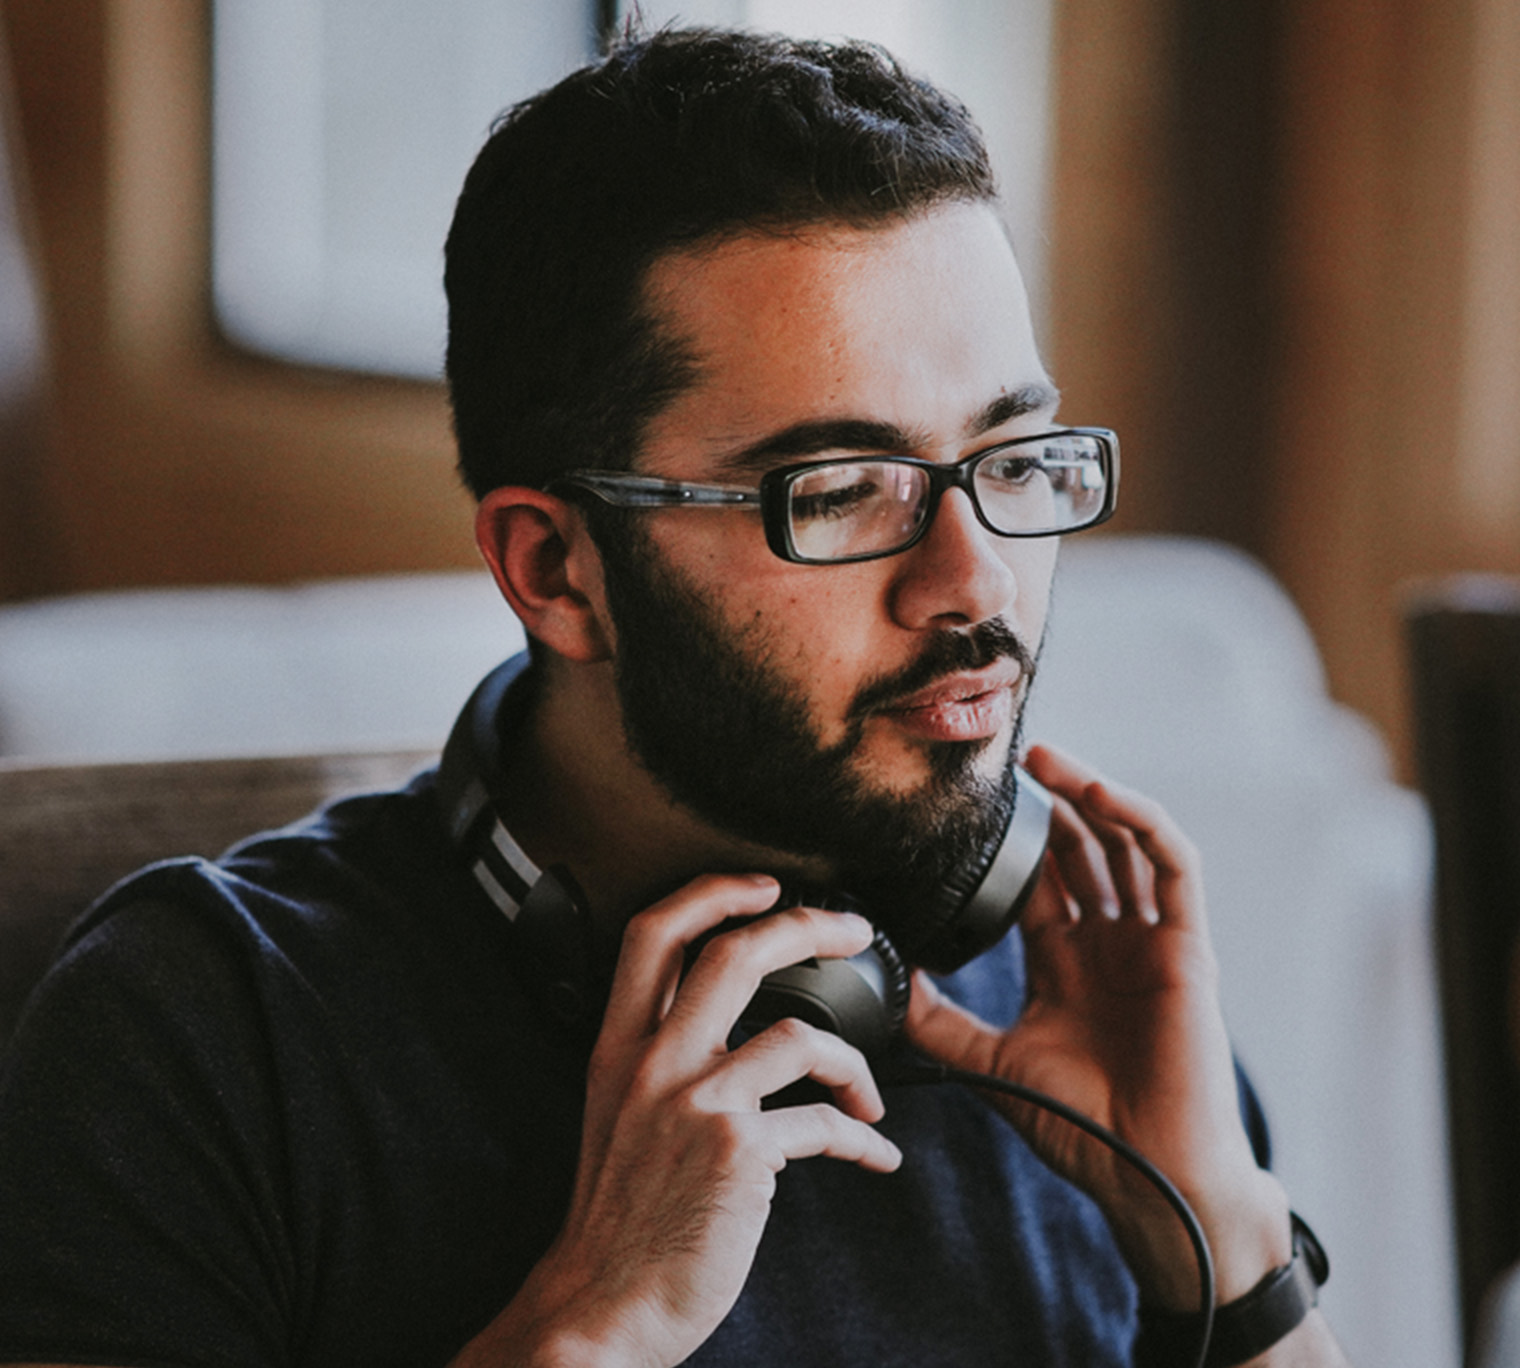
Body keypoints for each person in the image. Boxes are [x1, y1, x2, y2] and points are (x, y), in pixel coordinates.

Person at [0, 27, 1349, 1368]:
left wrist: (1226, 1245)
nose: (974, 584)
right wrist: (594, 1328)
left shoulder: (1078, 997)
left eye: (1012, 457)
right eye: (836, 491)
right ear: (558, 569)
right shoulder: (204, 1041)